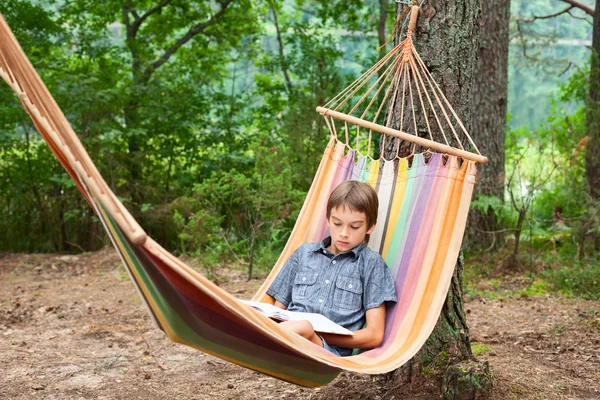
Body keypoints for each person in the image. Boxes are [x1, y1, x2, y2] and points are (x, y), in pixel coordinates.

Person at [266, 180, 397, 356]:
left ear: (370, 227)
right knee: (252, 314)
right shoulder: (304, 254)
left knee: (303, 326)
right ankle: (270, 341)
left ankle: (271, 340)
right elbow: (277, 309)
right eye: (337, 223)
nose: (344, 233)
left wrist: (315, 332)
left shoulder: (371, 264)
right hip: (288, 336)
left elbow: (374, 335)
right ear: (328, 220)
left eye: (354, 226)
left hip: (325, 350)